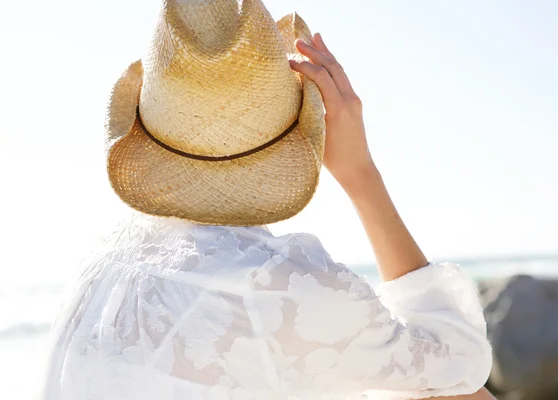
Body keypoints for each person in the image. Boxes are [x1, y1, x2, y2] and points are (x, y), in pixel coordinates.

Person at [40, 1, 494, 399]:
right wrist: (361, 176)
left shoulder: (107, 261)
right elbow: (458, 363)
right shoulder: (272, 286)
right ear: (303, 126)